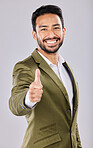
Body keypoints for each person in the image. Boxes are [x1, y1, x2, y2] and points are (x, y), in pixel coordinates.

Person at [9, 5, 82, 148]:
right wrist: (28, 98)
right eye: (44, 29)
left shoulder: (66, 68)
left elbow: (71, 119)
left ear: (63, 31)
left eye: (56, 27)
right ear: (35, 35)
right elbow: (14, 104)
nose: (51, 34)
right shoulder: (26, 67)